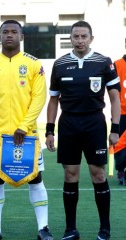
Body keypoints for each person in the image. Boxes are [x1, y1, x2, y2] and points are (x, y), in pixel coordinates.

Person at [0, 20, 53, 240]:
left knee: (36, 179)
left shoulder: (33, 64)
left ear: (22, 36)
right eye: (5, 32)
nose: (9, 35)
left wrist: (23, 126)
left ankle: (43, 228)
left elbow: (39, 98)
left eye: (14, 32)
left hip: (27, 135)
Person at [45, 20, 120, 240]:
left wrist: (115, 127)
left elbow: (114, 98)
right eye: (75, 36)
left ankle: (104, 229)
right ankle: (71, 229)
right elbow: (53, 100)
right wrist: (50, 131)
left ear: (91, 38)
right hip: (68, 124)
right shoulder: (59, 64)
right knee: (70, 175)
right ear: (70, 38)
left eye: (83, 36)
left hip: (94, 124)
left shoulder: (104, 62)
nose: (79, 40)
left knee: (98, 175)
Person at [114, 55, 126, 185]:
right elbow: (113, 89)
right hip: (122, 113)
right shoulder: (117, 64)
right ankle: (121, 170)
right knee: (121, 144)